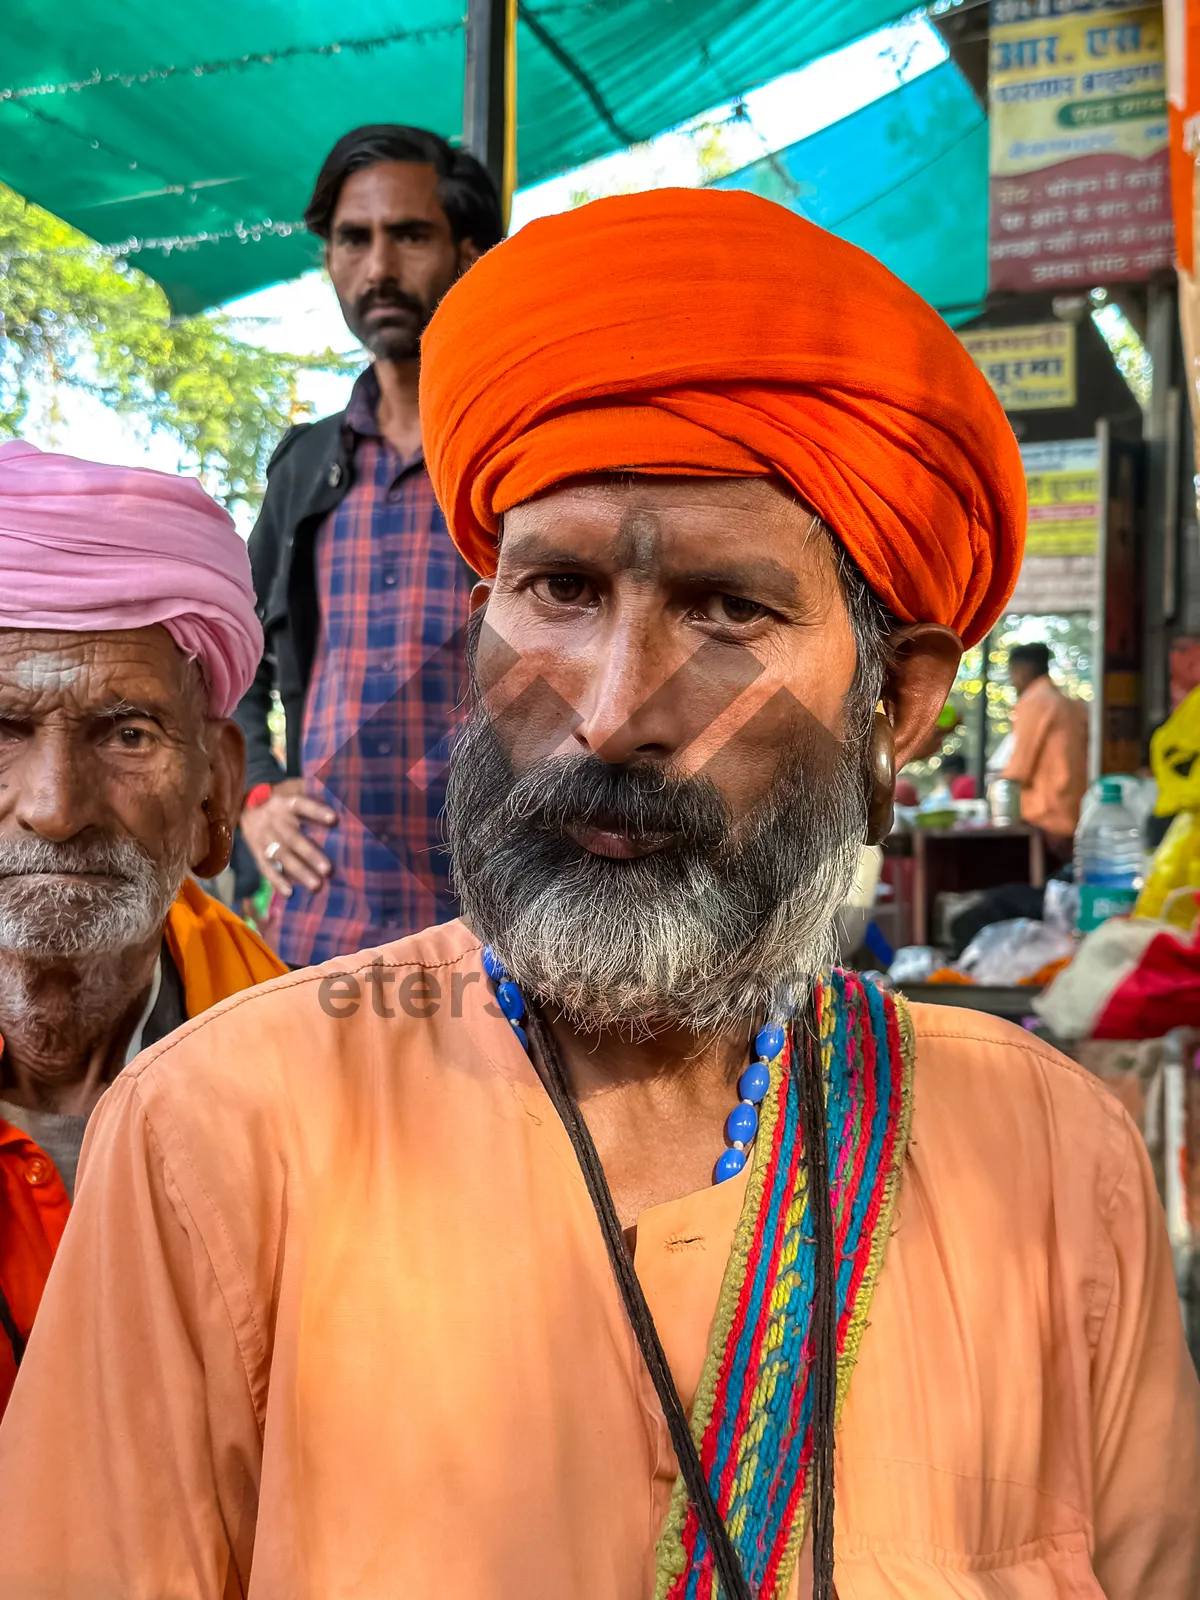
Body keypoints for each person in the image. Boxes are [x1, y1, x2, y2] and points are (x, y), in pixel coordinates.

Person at [0, 192, 1196, 1600]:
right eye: (560, 590)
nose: (617, 711)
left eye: (729, 611)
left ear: (896, 709)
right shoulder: (218, 1137)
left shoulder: (1055, 1162)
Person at [0, 441, 286, 1413]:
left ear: (216, 793)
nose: (54, 805)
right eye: (1, 729)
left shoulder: (306, 1097)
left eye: (127, 732)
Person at [235, 125, 502, 966]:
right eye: (354, 239)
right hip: (320, 929)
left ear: (466, 251)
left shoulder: (518, 455)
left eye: (409, 235)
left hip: (498, 938)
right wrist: (255, 791)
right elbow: (234, 662)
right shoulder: (306, 466)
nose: (378, 268)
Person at [1002, 641, 1089, 856]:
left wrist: (998, 781)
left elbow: (1020, 768)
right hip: (1073, 813)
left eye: (1012, 673)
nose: (1012, 682)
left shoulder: (1035, 701)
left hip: (1047, 818)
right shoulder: (1069, 704)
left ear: (1024, 670)